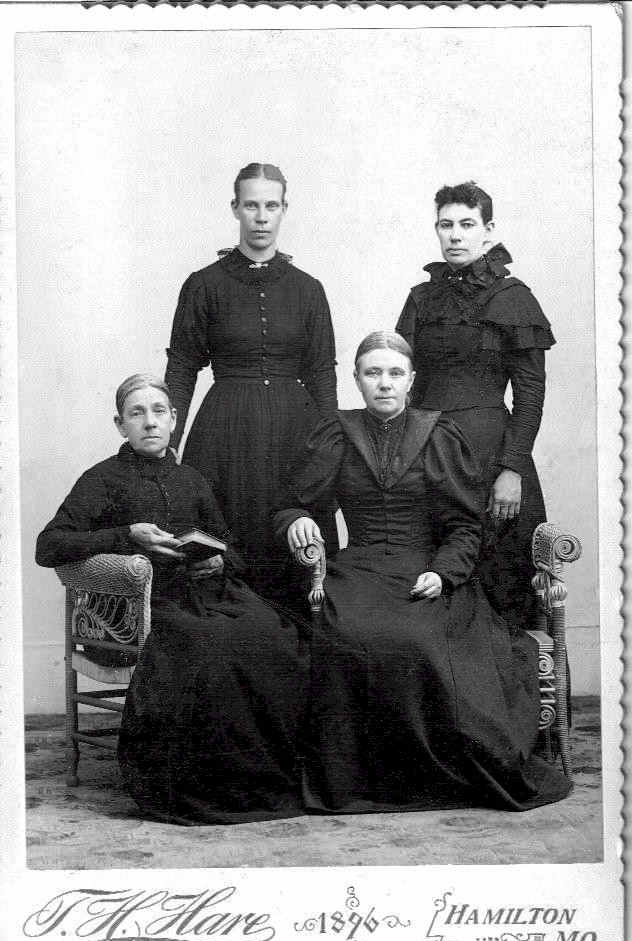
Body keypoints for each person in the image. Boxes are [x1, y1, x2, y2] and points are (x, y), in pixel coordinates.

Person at [273, 332, 571, 814]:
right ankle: (361, 777)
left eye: (395, 373)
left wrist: (443, 573)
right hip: (360, 569)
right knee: (349, 634)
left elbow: (465, 526)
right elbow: (291, 501)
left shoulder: (438, 433)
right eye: (373, 373)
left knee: (417, 639)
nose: (384, 383)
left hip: (427, 570)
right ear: (357, 380)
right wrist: (297, 519)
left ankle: (424, 774)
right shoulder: (336, 432)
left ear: (411, 379)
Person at [36, 374, 308, 825]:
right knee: (208, 645)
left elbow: (228, 544)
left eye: (158, 411)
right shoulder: (101, 479)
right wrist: (128, 535)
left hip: (206, 593)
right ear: (121, 424)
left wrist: (219, 560)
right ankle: (202, 783)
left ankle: (259, 778)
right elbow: (49, 546)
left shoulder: (191, 479)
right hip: (139, 608)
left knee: (274, 634)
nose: (150, 422)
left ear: (174, 419)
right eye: (137, 413)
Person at [165, 162, 338, 597]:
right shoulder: (203, 285)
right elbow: (182, 368)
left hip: (294, 431)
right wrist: (170, 440)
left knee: (297, 544)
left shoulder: (308, 289)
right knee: (221, 544)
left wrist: (333, 446)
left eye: (271, 206)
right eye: (251, 206)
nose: (261, 217)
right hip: (225, 431)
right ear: (235, 208)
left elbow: (321, 373)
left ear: (284, 210)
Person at [396, 182, 555, 628]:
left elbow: (530, 395)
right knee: (432, 582)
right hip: (429, 457)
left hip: (491, 461)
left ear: (488, 230)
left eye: (467, 224)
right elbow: (404, 383)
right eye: (446, 225)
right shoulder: (421, 298)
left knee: (500, 583)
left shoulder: (513, 297)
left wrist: (512, 469)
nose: (455, 235)